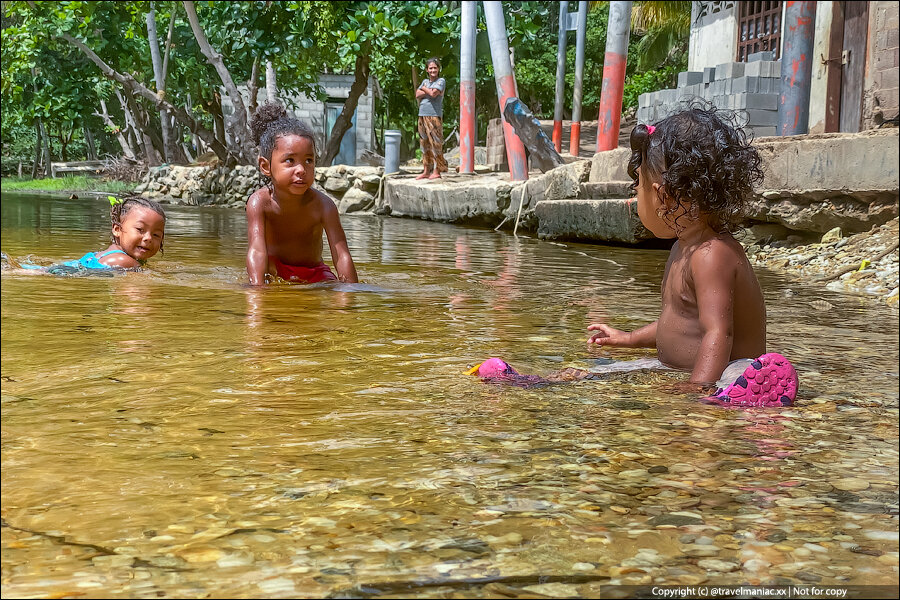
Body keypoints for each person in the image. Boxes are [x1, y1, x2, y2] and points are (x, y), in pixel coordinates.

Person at [470, 106, 799, 407]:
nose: (635, 197)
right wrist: (627, 339)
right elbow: (679, 324)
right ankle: (530, 382)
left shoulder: (711, 255)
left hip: (726, 369)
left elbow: (718, 333)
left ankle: (745, 395)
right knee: (597, 374)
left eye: (636, 186)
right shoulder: (685, 247)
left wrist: (697, 389)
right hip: (679, 367)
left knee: (731, 381)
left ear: (662, 196)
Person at [246, 103, 359, 285]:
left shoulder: (323, 205)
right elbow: (257, 251)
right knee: (266, 270)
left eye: (308, 160)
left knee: (332, 287)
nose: (301, 169)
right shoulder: (259, 203)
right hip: (275, 270)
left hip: (314, 272)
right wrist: (256, 294)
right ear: (266, 166)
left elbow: (341, 255)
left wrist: (351, 294)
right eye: (290, 160)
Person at [13, 196, 166, 273]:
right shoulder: (123, 260)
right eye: (140, 230)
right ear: (117, 229)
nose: (148, 238)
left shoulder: (105, 254)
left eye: (156, 235)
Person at [415, 57, 447, 181]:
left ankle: (437, 170)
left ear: (438, 69)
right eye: (430, 68)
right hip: (422, 115)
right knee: (424, 143)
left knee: (436, 143)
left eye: (435, 68)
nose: (433, 70)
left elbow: (434, 94)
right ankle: (426, 170)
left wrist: (423, 89)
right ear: (427, 70)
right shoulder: (425, 81)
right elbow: (417, 95)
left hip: (434, 115)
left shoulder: (441, 81)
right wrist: (427, 90)